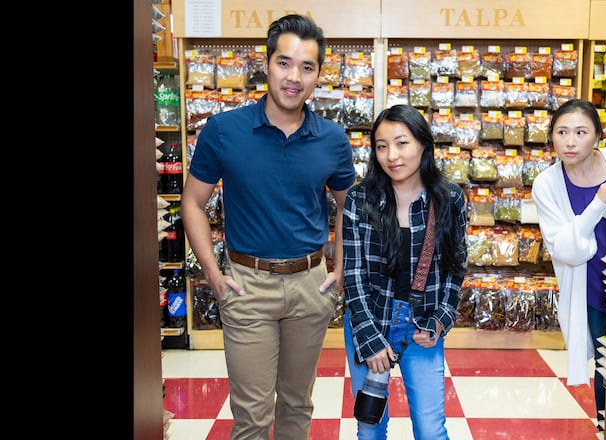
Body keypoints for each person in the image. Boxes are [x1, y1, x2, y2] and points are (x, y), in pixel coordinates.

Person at [180, 14, 357, 440]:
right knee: (252, 418)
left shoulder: (332, 138)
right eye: (284, 63)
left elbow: (348, 207)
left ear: (318, 74)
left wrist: (338, 269)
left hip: (310, 287)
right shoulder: (224, 130)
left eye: (307, 67)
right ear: (267, 63)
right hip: (246, 287)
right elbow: (192, 202)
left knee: (297, 406)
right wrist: (213, 274)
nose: (294, 77)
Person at [342, 104, 468, 439]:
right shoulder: (359, 199)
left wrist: (441, 319)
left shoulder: (450, 198)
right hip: (370, 319)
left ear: (423, 145)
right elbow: (353, 275)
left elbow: (456, 268)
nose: (391, 155)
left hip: (422, 325)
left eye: (402, 143)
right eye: (381, 146)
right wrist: (368, 339)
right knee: (370, 426)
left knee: (430, 429)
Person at [531, 98, 606, 435]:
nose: (571, 141)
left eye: (581, 132)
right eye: (562, 132)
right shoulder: (547, 184)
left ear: (597, 136)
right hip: (589, 287)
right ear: (551, 136)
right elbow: (566, 249)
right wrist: (599, 203)